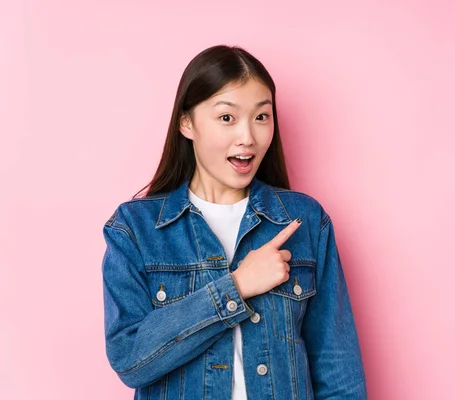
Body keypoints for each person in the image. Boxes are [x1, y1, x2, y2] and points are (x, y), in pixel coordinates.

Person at [101, 44, 367, 400]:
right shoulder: (136, 229)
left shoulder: (304, 221)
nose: (248, 137)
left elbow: (337, 368)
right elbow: (131, 359)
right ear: (186, 123)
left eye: (261, 117)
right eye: (227, 117)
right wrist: (237, 286)